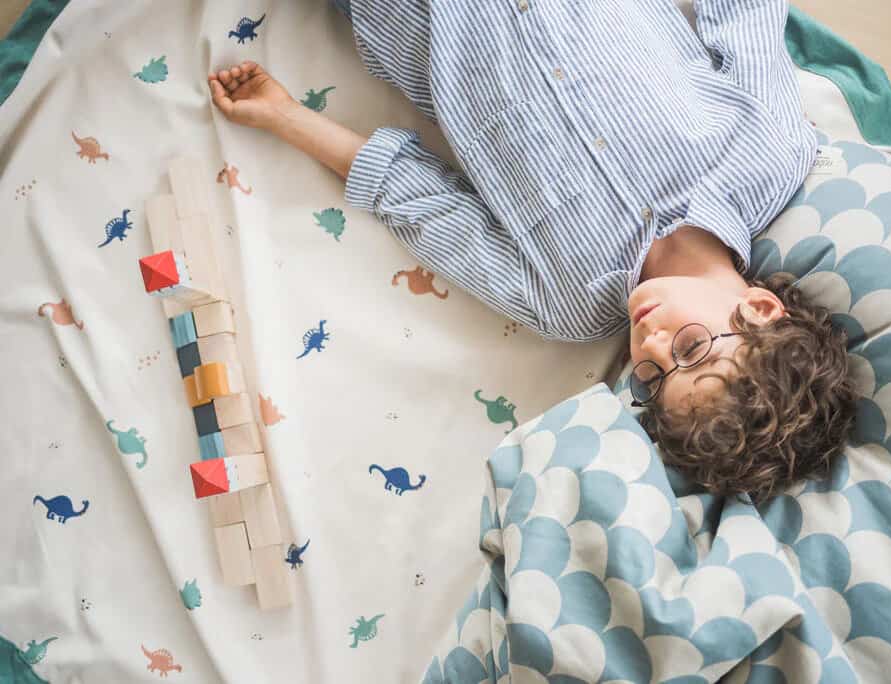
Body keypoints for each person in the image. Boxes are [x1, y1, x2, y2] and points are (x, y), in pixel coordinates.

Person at [206, 0, 858, 504]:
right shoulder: (767, 156)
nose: (649, 347)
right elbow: (742, 14)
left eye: (652, 377)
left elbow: (421, 203)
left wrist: (286, 116)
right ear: (761, 308)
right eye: (689, 348)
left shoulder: (566, 302)